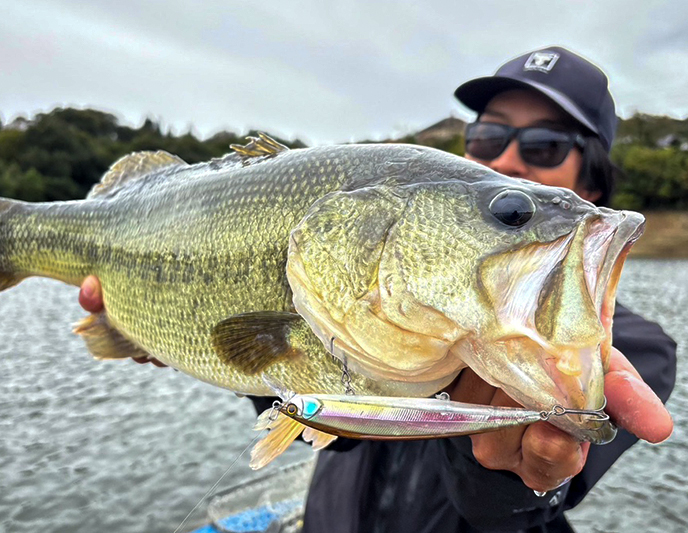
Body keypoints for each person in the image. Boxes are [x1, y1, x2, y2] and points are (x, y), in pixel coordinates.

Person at [77, 46, 677, 532]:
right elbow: (322, 424)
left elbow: (527, 509)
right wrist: (189, 336)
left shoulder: (635, 352)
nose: (508, 161)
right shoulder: (392, 284)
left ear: (589, 184)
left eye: (545, 146)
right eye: (491, 136)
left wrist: (508, 475)